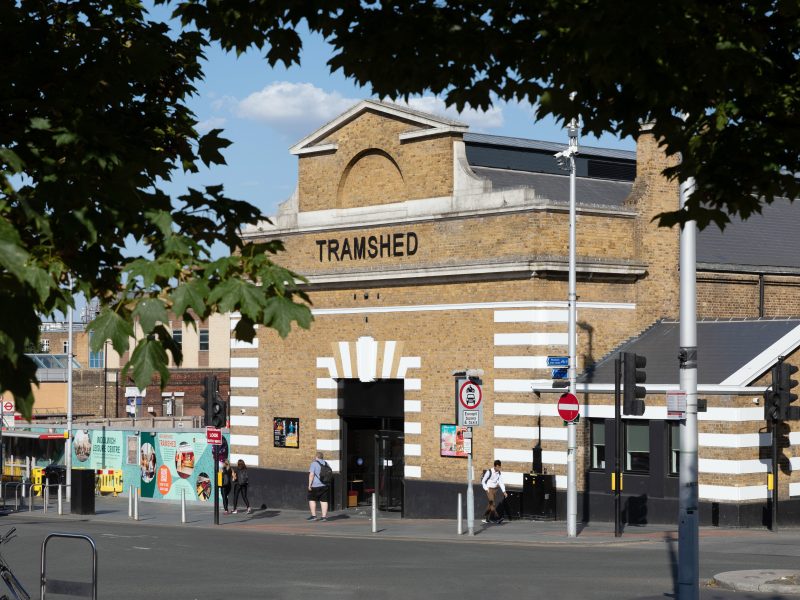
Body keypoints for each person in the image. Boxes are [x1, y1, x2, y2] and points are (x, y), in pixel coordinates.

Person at [481, 459, 507, 524]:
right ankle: (497, 518)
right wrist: (486, 489)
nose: (498, 468)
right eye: (498, 467)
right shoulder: (489, 472)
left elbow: (501, 482)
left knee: (490, 504)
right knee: (493, 503)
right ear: (495, 466)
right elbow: (483, 481)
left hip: (495, 489)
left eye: (499, 467)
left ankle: (486, 517)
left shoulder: (499, 473)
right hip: (489, 489)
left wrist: (504, 491)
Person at [307, 451, 329, 521]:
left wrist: (309, 485)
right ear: (322, 457)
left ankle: (314, 516)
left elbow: (311, 475)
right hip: (324, 485)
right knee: (324, 501)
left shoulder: (314, 463)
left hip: (315, 485)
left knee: (312, 499)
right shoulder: (326, 463)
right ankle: (324, 517)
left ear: (316, 457)